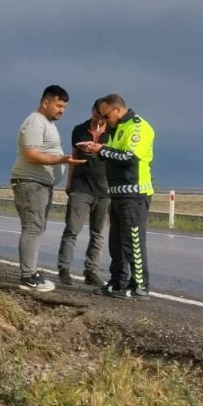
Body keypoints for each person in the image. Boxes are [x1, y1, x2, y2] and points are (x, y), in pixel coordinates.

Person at [77, 94, 155, 301]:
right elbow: (113, 154)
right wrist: (95, 151)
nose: (103, 120)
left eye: (105, 115)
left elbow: (129, 157)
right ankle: (118, 282)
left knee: (134, 242)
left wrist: (101, 149)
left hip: (135, 194)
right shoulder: (116, 129)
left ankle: (140, 287)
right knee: (116, 242)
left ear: (117, 110)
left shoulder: (138, 127)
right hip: (118, 194)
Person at [10, 85, 84, 292]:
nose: (62, 110)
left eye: (65, 107)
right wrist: (61, 159)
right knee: (32, 228)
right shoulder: (35, 122)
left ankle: (31, 271)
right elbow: (31, 155)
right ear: (46, 102)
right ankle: (27, 276)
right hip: (30, 183)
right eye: (59, 105)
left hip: (41, 184)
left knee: (37, 228)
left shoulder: (47, 123)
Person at [56, 100, 110, 286]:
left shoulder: (113, 133)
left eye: (103, 117)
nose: (99, 120)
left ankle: (91, 271)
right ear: (92, 112)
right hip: (81, 187)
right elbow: (73, 156)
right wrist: (69, 182)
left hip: (104, 190)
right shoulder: (78, 130)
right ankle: (64, 269)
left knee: (98, 233)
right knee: (72, 230)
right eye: (97, 116)